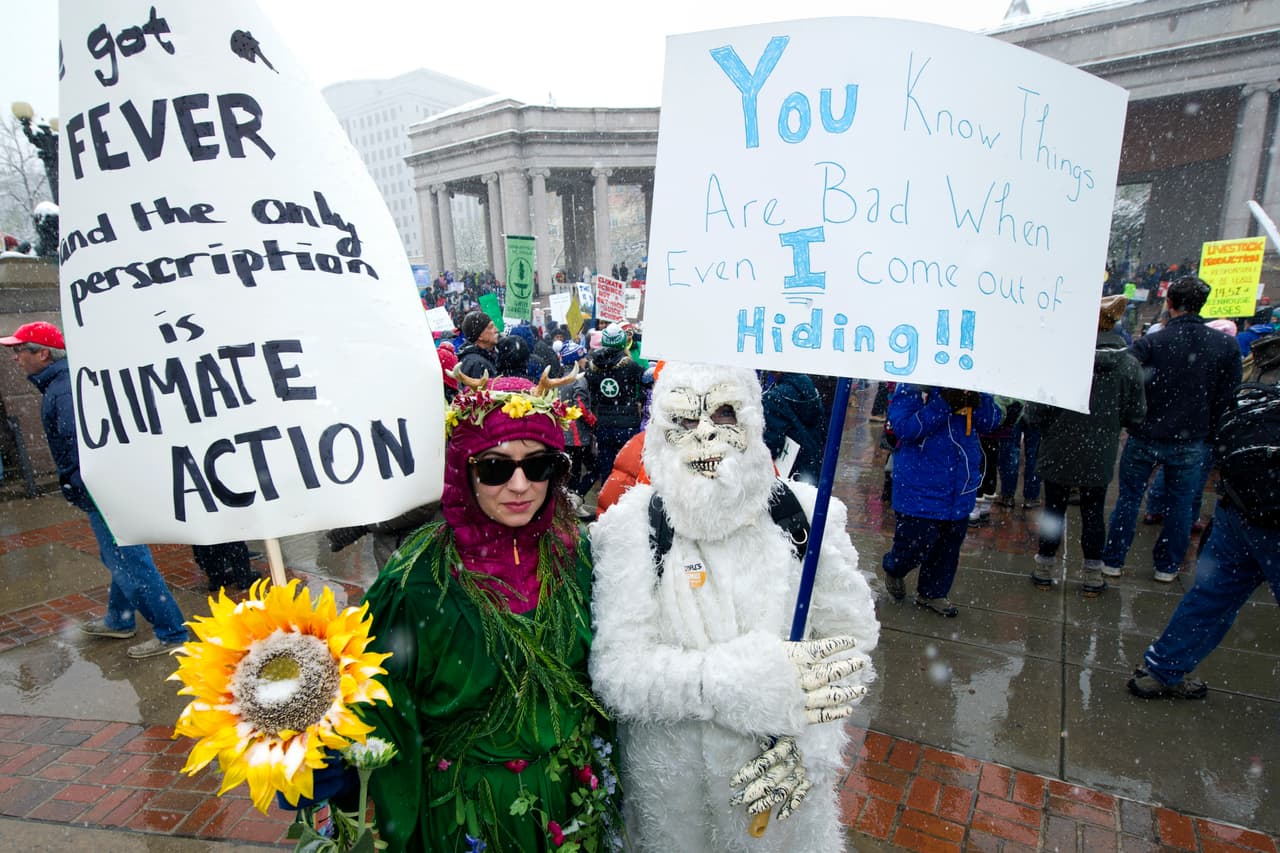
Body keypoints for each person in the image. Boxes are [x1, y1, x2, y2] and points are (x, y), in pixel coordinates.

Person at [589, 362, 878, 852]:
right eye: (682, 420)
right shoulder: (632, 528)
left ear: (753, 421)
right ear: (659, 431)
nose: (705, 434)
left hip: (782, 809)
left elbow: (848, 649)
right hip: (675, 816)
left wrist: (810, 748)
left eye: (724, 413)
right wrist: (730, 681)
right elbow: (617, 673)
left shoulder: (803, 514)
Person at [354, 373, 622, 851]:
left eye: (538, 466)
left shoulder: (579, 556)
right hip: (469, 815)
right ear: (464, 470)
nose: (520, 486)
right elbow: (380, 707)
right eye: (495, 468)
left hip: (571, 805)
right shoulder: (417, 581)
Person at [1, 321, 188, 659]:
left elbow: (84, 448)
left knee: (128, 561)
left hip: (103, 491)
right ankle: (120, 619)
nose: (15, 358)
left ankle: (172, 632)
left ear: (42, 353)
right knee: (121, 556)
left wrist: (79, 484)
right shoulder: (63, 382)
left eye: (19, 351)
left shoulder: (64, 389)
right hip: (105, 488)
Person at [1128, 383, 1280, 700]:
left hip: (1241, 507)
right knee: (1213, 595)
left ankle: (1161, 670)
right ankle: (1163, 669)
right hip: (1265, 512)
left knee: (1212, 596)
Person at [1102, 276, 1242, 583]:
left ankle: (1112, 560)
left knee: (1128, 500)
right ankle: (1166, 566)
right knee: (1180, 505)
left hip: (1145, 433)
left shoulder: (1154, 342)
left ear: (1169, 304)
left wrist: (1131, 414)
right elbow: (1228, 395)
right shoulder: (1225, 345)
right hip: (1191, 439)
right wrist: (1209, 430)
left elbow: (1124, 375)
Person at [1024, 296, 1146, 595]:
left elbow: (1035, 413)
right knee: (1093, 514)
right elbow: (1136, 415)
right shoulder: (1129, 366)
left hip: (1059, 449)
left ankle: (1044, 568)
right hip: (1100, 452)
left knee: (1054, 511)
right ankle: (1093, 574)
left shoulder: (1061, 361)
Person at [882, 385, 1002, 616]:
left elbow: (990, 422)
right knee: (915, 542)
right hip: (919, 482)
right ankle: (895, 568)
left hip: (960, 483)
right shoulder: (913, 385)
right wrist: (944, 404)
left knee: (949, 544)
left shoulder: (975, 382)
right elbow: (905, 429)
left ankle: (932, 592)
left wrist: (980, 402)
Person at [585, 322, 643, 489]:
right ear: (622, 342)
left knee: (606, 468)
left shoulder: (592, 367)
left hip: (604, 424)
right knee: (628, 468)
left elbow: (592, 395)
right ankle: (625, 500)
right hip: (627, 425)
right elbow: (644, 386)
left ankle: (607, 502)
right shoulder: (631, 366)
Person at [761, 370, 827, 485]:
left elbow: (771, 443)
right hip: (812, 465)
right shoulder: (809, 386)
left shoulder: (773, 397)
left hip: (789, 472)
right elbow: (821, 427)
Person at [456, 310, 499, 378]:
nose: (497, 330)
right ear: (480, 336)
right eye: (491, 327)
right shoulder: (476, 363)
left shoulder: (484, 357)